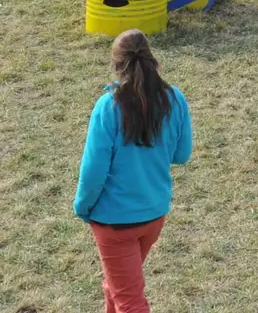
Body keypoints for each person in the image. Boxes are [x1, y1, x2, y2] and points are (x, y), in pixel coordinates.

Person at [73, 29, 192, 313]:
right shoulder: (175, 99)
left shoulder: (108, 106)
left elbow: (93, 170)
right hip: (154, 213)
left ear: (116, 64)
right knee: (117, 285)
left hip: (114, 222)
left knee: (130, 301)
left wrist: (83, 207)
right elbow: (181, 154)